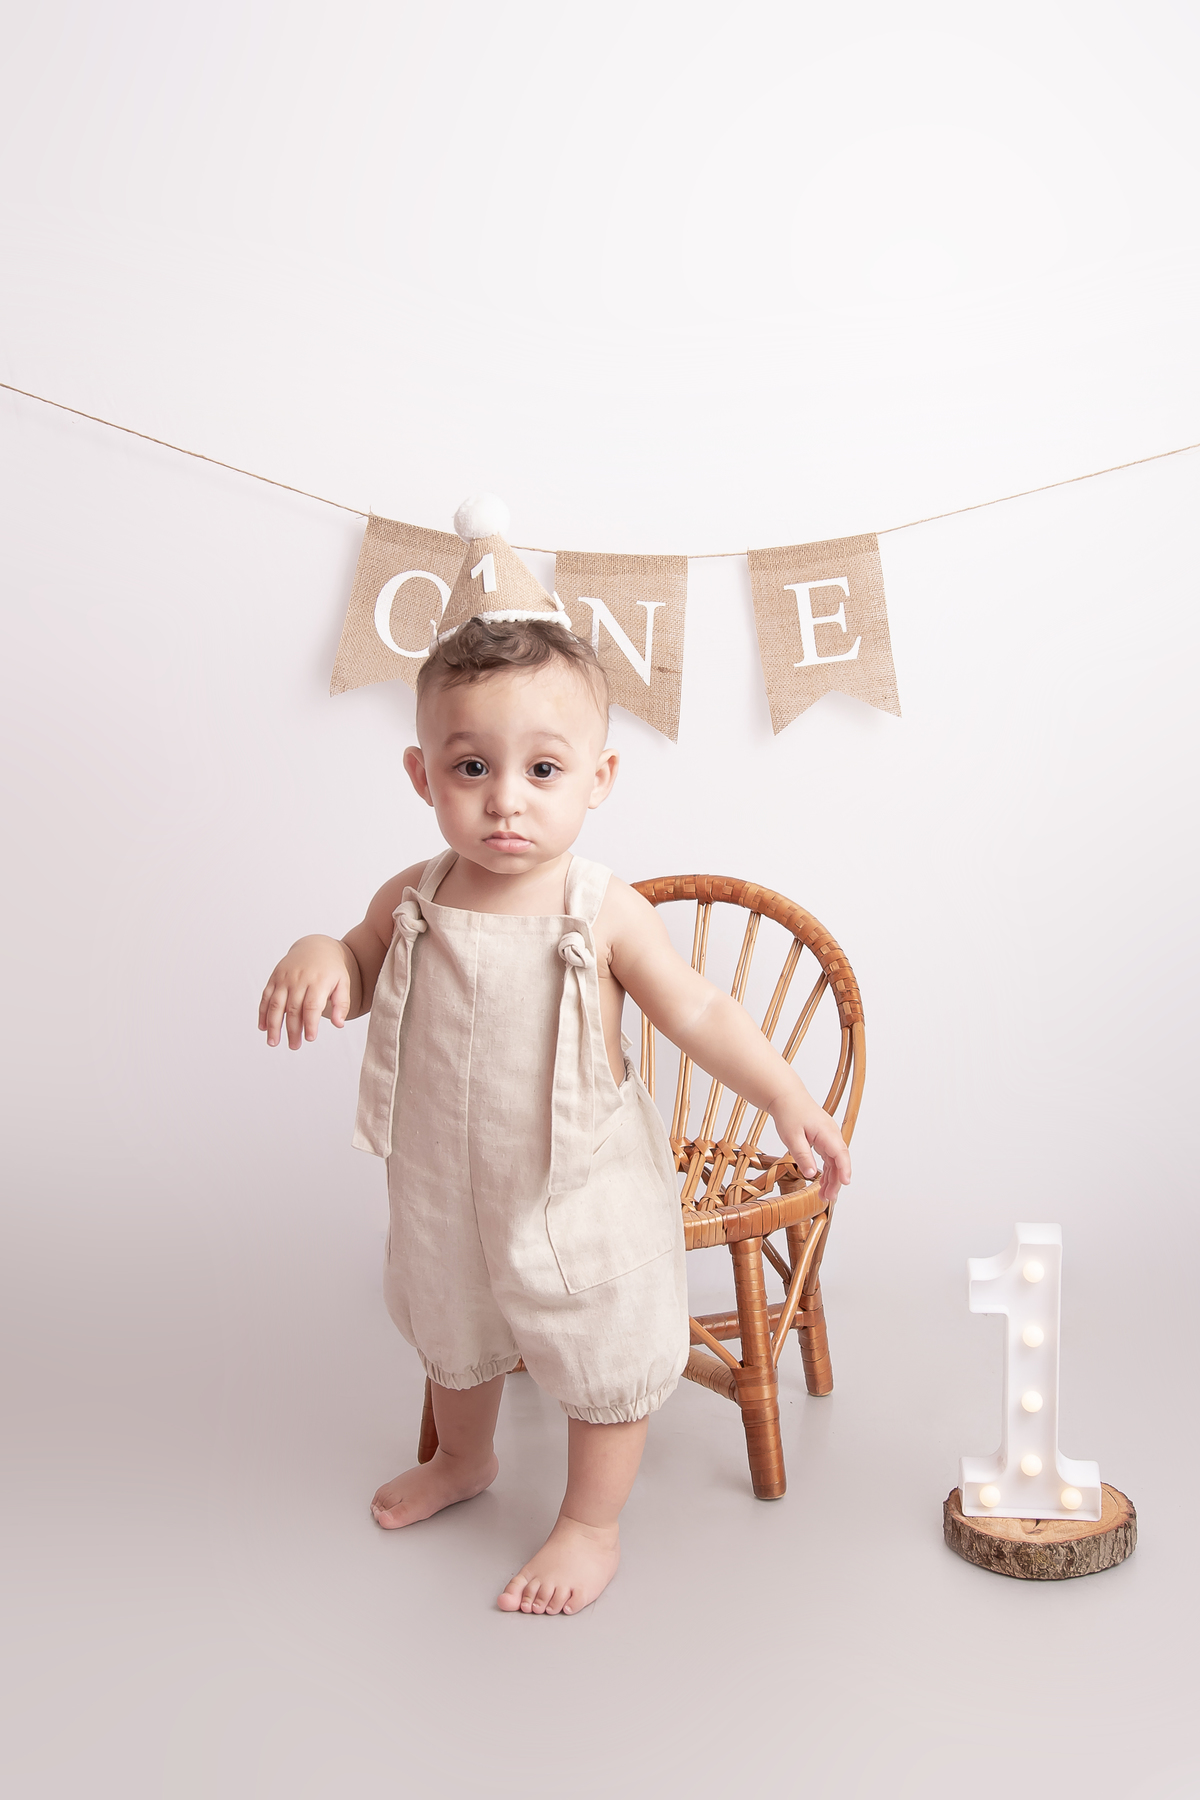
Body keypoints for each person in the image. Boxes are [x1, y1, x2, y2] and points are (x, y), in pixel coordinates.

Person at [259, 520, 850, 1618]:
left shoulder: (602, 908)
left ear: (598, 776)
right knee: (455, 1319)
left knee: (600, 1335)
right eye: (470, 767)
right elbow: (359, 958)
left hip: (576, 1183)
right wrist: (320, 955)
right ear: (422, 774)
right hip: (446, 1180)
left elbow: (698, 1007)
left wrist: (784, 1093)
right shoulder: (414, 896)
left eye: (542, 770)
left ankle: (590, 1521)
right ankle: (463, 1458)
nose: (506, 799)